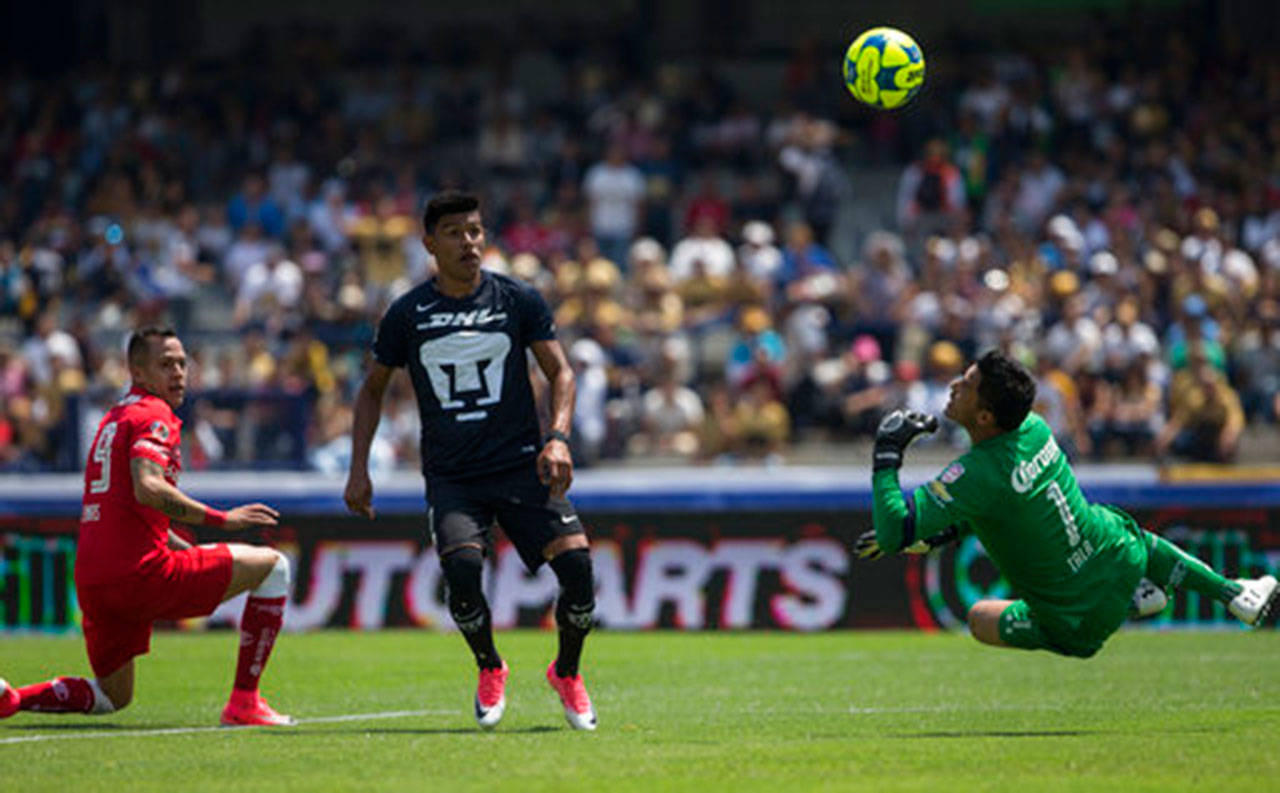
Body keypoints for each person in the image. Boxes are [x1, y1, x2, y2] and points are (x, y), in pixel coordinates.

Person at [344, 191, 597, 731]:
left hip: (523, 467)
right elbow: (371, 391)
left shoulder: (518, 300)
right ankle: (490, 665)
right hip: (454, 477)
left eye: (476, 231)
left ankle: (567, 672)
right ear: (429, 243)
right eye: (455, 232)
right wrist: (358, 469)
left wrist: (558, 437)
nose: (469, 242)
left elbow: (563, 374)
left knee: (577, 568)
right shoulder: (407, 314)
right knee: (461, 571)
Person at [856, 349, 1276, 658]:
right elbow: (997, 510)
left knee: (980, 618)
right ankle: (1232, 592)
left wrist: (888, 450)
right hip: (1119, 560)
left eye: (966, 385)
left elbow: (895, 535)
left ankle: (1131, 602)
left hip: (1073, 626)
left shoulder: (976, 473)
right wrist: (932, 534)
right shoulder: (1035, 428)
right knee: (1118, 528)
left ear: (985, 418)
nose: (954, 386)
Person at [0, 327, 292, 726]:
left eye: (182, 363)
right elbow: (148, 487)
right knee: (274, 568)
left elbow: (127, 504)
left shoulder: (113, 420)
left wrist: (179, 544)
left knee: (112, 695)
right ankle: (244, 702)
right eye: (165, 364)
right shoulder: (154, 415)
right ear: (137, 372)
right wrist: (223, 521)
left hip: (94, 581)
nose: (179, 373)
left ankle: (12, 698)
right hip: (139, 576)